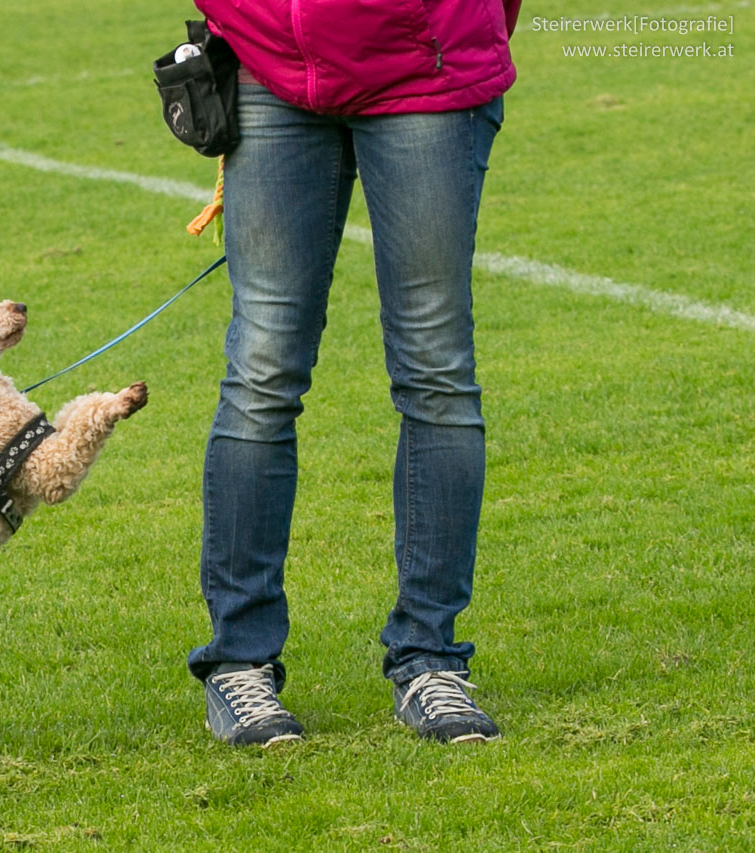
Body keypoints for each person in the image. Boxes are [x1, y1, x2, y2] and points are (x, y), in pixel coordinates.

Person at [187, 0, 522, 745]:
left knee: (436, 371)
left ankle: (431, 658)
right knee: (262, 370)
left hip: (427, 73)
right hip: (270, 65)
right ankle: (239, 663)